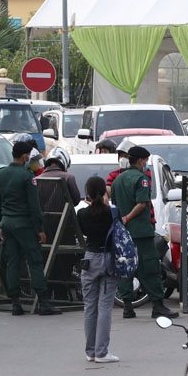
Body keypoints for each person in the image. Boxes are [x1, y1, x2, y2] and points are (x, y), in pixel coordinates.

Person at [0, 142, 60, 316]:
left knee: (12, 262)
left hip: (7, 223)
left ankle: (16, 303)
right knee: (35, 261)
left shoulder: (0, 175)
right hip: (25, 225)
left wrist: (0, 223)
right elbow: (34, 206)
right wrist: (40, 229)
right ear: (24, 156)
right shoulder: (26, 176)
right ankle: (43, 302)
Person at [112, 145, 178, 320]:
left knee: (126, 267)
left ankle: (127, 306)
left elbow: (114, 204)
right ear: (140, 161)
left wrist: (122, 221)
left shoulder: (118, 179)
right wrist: (128, 217)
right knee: (150, 267)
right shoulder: (141, 179)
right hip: (140, 231)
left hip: (124, 233)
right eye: (145, 161)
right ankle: (158, 305)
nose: (146, 164)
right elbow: (142, 204)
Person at [75, 176, 119, 363]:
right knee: (105, 307)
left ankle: (91, 351)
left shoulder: (82, 214)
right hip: (109, 259)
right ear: (104, 192)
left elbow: (83, 232)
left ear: (88, 193)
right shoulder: (113, 212)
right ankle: (102, 352)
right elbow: (119, 231)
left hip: (90, 258)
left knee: (90, 307)